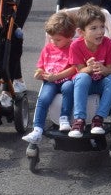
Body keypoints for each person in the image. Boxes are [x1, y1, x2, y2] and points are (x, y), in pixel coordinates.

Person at [23, 12, 78, 144]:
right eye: (52, 38)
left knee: (68, 87)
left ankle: (64, 117)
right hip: (51, 81)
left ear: (70, 36)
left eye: (58, 39)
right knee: (43, 98)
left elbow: (75, 67)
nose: (53, 42)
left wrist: (57, 76)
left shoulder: (73, 47)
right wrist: (39, 72)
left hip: (66, 79)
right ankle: (37, 129)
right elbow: (41, 66)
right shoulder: (48, 48)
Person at [67, 3, 111, 138]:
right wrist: (89, 68)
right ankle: (79, 120)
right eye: (94, 28)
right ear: (81, 32)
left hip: (100, 84)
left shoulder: (108, 44)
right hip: (84, 85)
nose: (100, 31)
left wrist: (104, 69)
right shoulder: (76, 46)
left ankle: (99, 119)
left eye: (102, 26)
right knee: (83, 77)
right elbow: (79, 71)